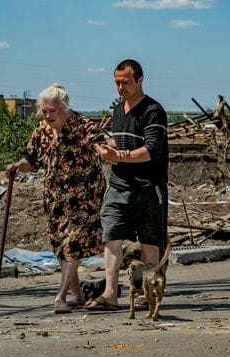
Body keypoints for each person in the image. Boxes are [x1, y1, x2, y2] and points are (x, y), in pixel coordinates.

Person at [6, 83, 106, 314]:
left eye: (52, 111)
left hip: (84, 197)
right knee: (61, 247)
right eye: (44, 111)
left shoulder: (83, 125)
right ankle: (78, 295)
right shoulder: (42, 130)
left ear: (64, 108)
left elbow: (101, 143)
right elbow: (31, 160)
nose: (48, 115)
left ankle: (60, 297)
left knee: (72, 244)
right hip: (55, 198)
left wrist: (108, 150)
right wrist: (17, 167)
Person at [86, 59, 168, 310]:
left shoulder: (153, 111)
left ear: (140, 80)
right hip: (118, 185)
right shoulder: (118, 110)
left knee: (149, 242)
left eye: (126, 82)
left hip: (147, 188)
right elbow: (119, 142)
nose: (120, 87)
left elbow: (150, 150)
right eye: (117, 82)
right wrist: (106, 147)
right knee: (111, 236)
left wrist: (119, 156)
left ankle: (148, 292)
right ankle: (110, 293)